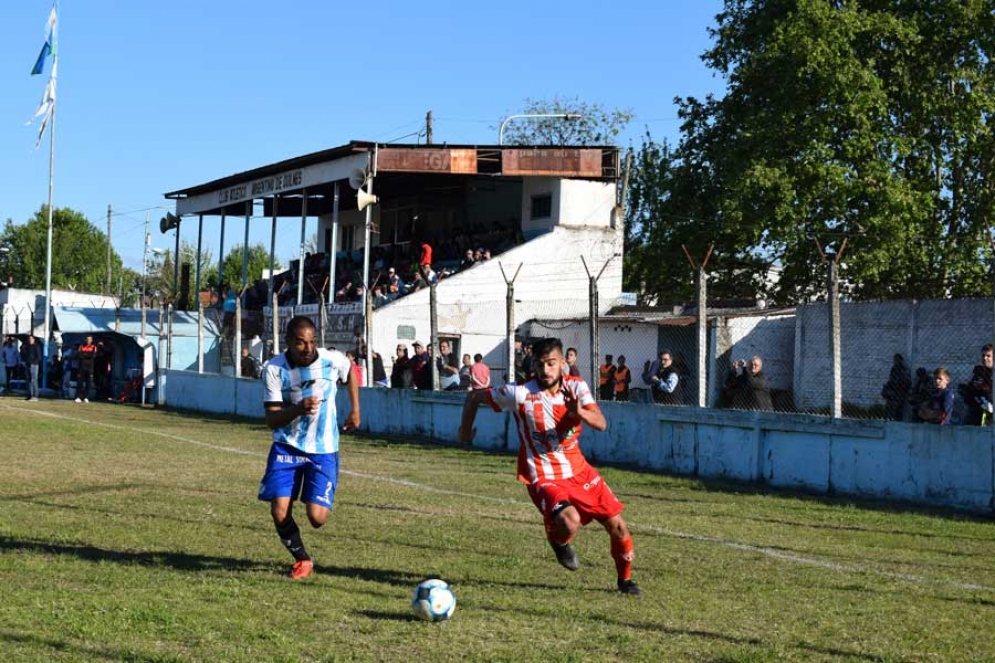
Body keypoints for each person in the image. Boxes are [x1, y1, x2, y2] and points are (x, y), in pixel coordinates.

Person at [457, 337, 641, 596]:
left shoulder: (576, 387)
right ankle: (559, 541)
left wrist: (581, 413)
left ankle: (625, 581)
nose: (545, 370)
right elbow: (475, 397)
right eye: (540, 364)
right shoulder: (520, 393)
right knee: (570, 521)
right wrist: (465, 433)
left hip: (579, 471)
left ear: (563, 363)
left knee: (619, 527)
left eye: (551, 364)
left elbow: (601, 423)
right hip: (543, 474)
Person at [259, 315, 360, 580]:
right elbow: (272, 419)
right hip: (287, 447)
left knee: (317, 518)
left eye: (312, 342)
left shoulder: (330, 359)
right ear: (288, 342)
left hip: (324, 448)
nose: (308, 348)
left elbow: (351, 371)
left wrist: (355, 410)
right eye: (301, 343)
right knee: (279, 511)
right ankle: (302, 559)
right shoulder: (274, 369)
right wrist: (297, 409)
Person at [964, 344, 993, 425]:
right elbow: (970, 391)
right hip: (977, 409)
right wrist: (979, 401)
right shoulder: (978, 372)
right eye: (983, 355)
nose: (985, 358)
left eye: (988, 356)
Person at [880, 353, 911, 421]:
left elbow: (907, 383)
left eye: (897, 360)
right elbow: (891, 379)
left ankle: (897, 421)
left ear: (900, 360)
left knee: (898, 409)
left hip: (899, 392)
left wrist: (899, 386)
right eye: (895, 360)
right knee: (888, 408)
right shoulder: (893, 369)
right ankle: (888, 420)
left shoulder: (903, 370)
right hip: (893, 392)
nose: (895, 361)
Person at [75, 336, 98, 403]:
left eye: (89, 339)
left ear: (91, 340)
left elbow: (93, 356)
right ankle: (79, 397)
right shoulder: (81, 346)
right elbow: (80, 355)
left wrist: (85, 354)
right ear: (85, 340)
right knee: (80, 383)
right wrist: (87, 355)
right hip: (81, 367)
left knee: (89, 383)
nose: (88, 340)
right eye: (87, 339)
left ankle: (86, 397)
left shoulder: (94, 347)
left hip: (90, 368)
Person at [21, 335, 42, 401]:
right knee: (28, 380)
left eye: (31, 339)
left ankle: (35, 396)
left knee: (34, 380)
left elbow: (39, 357)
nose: (30, 340)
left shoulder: (36, 347)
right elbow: (24, 355)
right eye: (29, 339)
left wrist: (33, 363)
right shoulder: (27, 347)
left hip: (34, 365)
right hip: (27, 365)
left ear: (34, 339)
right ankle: (29, 395)